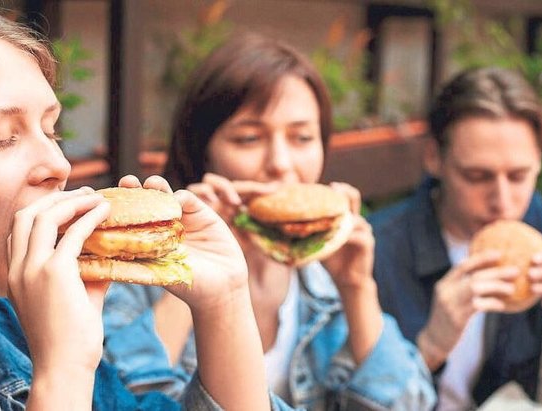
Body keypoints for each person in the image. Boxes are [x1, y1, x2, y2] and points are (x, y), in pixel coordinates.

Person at [0, 4, 288, 410]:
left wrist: (224, 304)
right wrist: (63, 371)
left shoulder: (11, 326)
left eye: (52, 132)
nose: (58, 166)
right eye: (1, 139)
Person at [101, 33, 436, 410]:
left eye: (302, 137)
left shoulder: (324, 282)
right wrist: (190, 270)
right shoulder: (136, 273)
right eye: (248, 138)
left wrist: (357, 288)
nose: (281, 162)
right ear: (202, 152)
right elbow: (126, 400)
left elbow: (412, 403)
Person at [368, 66, 542, 410]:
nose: (503, 201)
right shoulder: (380, 251)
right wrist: (428, 348)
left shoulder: (531, 219)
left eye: (519, 175)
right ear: (434, 157)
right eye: (477, 176)